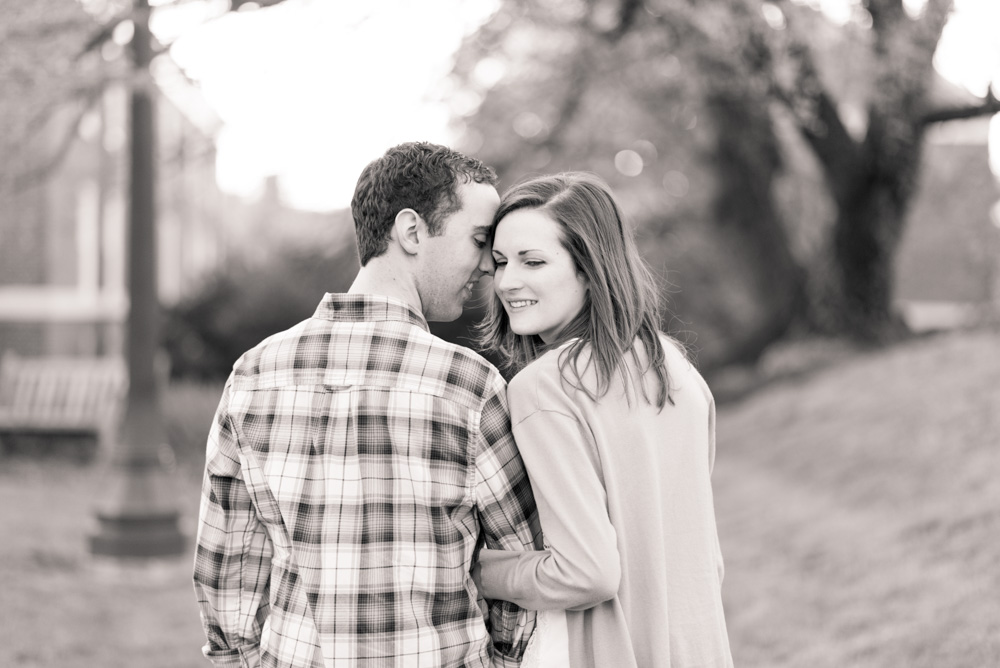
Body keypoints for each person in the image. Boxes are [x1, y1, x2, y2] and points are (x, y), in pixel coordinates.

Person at [193, 142, 542, 668]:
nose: (488, 269)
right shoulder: (469, 385)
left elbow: (227, 569)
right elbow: (521, 565)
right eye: (478, 241)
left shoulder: (254, 374)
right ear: (411, 231)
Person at [473, 172, 734, 668]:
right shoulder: (676, 369)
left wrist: (475, 570)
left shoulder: (544, 387)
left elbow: (585, 572)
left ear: (589, 269)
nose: (507, 282)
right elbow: (705, 558)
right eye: (501, 262)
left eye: (534, 261)